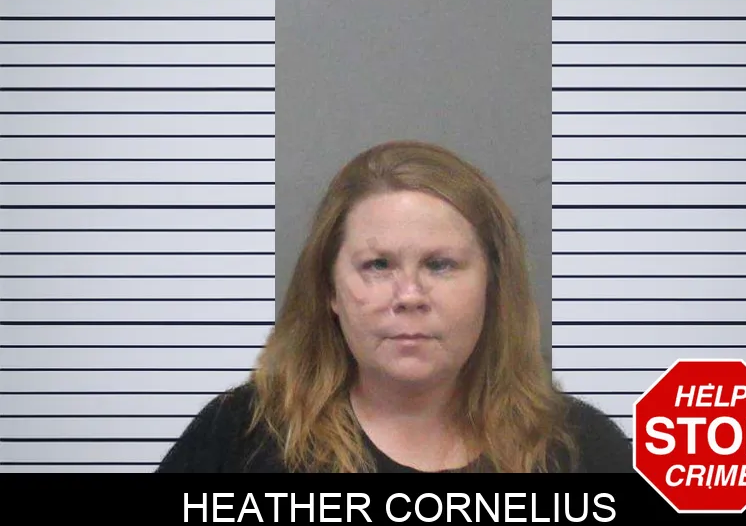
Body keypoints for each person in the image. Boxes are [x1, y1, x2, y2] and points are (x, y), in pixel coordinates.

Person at [155, 140, 632, 473]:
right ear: (329, 290)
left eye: (440, 265)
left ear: (493, 286)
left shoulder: (583, 451)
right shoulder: (239, 437)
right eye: (378, 265)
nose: (409, 296)